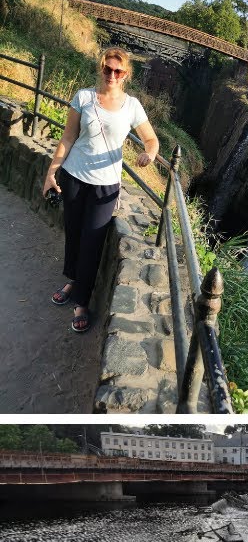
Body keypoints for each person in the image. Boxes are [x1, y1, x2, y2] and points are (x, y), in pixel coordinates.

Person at [41, 47, 159, 332]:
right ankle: (72, 280)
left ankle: (82, 301)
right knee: (74, 233)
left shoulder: (132, 105)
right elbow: (68, 138)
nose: (112, 75)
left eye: (118, 71)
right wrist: (51, 172)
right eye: (107, 69)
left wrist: (149, 154)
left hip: (105, 184)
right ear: (101, 68)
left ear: (126, 75)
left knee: (92, 242)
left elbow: (151, 139)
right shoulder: (83, 97)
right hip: (73, 176)